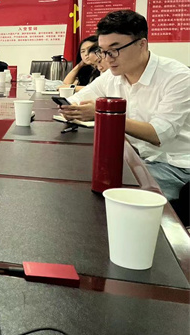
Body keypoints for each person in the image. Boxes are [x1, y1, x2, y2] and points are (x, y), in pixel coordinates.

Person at [60, 10, 189, 201]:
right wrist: (70, 109)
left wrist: (103, 114)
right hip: (133, 156)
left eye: (115, 49)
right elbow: (77, 100)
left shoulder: (177, 77)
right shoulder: (112, 76)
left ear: (141, 44)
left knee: (115, 197)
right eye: (102, 51)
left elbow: (159, 134)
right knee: (78, 177)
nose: (107, 58)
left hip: (173, 164)